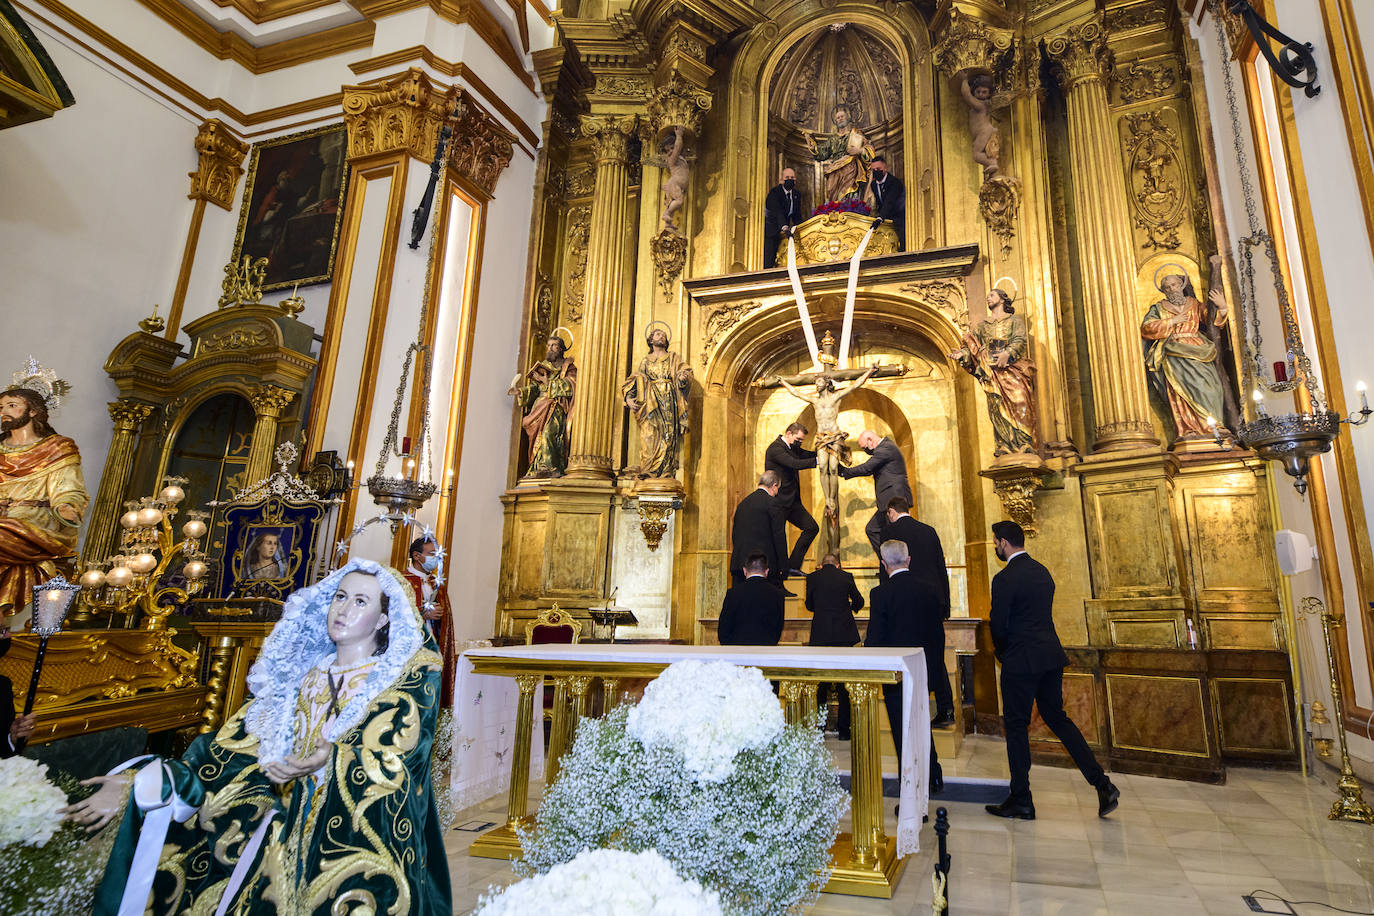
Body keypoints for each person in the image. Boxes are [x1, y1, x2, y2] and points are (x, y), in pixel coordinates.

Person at [67, 559, 451, 915]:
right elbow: (225, 752)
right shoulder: (296, 677)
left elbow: (400, 763)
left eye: (360, 601)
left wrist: (332, 760)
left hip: (335, 838)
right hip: (265, 826)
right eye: (340, 596)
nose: (343, 609)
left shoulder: (395, 688)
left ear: (383, 618)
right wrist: (143, 781)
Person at [986, 521, 1119, 820]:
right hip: (1049, 657)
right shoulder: (1042, 572)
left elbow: (999, 625)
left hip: (1021, 660)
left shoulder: (1005, 578)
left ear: (1005, 543)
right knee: (1058, 718)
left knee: (1017, 726)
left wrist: (1002, 652)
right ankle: (1102, 784)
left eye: (995, 542)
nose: (995, 546)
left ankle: (1021, 798)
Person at [0, 382, 89, 619]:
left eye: (12, 405)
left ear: (33, 411)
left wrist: (66, 505)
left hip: (38, 523)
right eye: (1, 407)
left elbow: (69, 487)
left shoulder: (57, 448)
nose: (3, 412)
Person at [865, 539, 943, 794]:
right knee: (921, 723)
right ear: (908, 560)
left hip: (896, 675)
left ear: (884, 564)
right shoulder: (930, 590)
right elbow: (938, 636)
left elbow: (875, 639)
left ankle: (910, 788)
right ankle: (934, 774)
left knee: (902, 732)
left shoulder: (880, 594)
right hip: (924, 669)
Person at [1139, 265, 1233, 442]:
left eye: (1174, 285)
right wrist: (1172, 321)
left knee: (1211, 387)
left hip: (1199, 349)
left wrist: (1223, 307)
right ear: (1163, 291)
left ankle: (1216, 424)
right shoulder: (1159, 308)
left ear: (1181, 285)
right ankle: (1188, 429)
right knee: (1181, 392)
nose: (1172, 289)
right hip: (1174, 354)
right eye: (1167, 287)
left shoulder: (1194, 304)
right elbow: (1147, 328)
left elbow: (1212, 322)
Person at [882, 496, 953, 726]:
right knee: (934, 653)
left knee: (902, 651)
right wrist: (946, 605)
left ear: (892, 512)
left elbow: (887, 571)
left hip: (901, 602)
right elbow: (941, 568)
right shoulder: (929, 531)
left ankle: (909, 706)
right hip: (932, 601)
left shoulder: (889, 533)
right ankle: (946, 708)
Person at [950, 289, 1039, 456]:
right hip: (992, 373)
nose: (988, 298)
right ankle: (1006, 445)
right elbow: (972, 347)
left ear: (1002, 298)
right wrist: (962, 354)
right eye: (987, 296)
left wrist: (1008, 353)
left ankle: (1024, 443)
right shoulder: (983, 326)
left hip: (1013, 370)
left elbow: (1020, 339)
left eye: (991, 295)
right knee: (996, 407)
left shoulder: (1014, 321)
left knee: (1020, 400)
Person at [622, 325, 692, 478]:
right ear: (651, 340)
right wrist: (628, 398)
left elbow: (684, 371)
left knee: (668, 434)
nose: (661, 337)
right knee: (649, 434)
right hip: (650, 401)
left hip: (668, 398)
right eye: (658, 334)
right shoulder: (646, 361)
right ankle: (648, 468)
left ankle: (666, 471)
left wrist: (683, 377)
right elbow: (635, 379)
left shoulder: (673, 357)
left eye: (664, 335)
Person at [805, 554, 863, 739]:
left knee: (821, 684)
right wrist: (850, 608)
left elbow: (809, 604)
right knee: (843, 683)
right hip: (843, 634)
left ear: (821, 565)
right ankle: (845, 731)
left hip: (821, 634)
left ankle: (820, 730)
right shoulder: (846, 577)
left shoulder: (813, 577)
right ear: (838, 565)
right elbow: (859, 601)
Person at [510, 334, 577, 478]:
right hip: (539, 406)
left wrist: (548, 383)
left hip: (556, 406)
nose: (550, 348)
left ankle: (550, 466)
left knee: (548, 433)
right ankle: (536, 467)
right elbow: (535, 388)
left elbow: (572, 385)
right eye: (548, 345)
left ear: (561, 349)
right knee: (537, 438)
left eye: (553, 345)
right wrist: (520, 392)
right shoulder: (544, 367)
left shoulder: (568, 367)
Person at [839, 429, 913, 558]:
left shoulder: (886, 448)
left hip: (895, 498)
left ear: (870, 440)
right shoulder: (884, 449)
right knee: (872, 529)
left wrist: (845, 472)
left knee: (897, 535)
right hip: (886, 501)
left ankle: (899, 563)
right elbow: (869, 470)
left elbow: (867, 468)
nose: (866, 451)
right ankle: (887, 560)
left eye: (864, 448)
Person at [403, 536, 454, 707]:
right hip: (410, 650)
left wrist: (441, 617)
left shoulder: (436, 582)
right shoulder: (402, 580)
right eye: (431, 554)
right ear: (417, 556)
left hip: (433, 646)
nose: (436, 558)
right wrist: (421, 615)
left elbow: (447, 620)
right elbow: (390, 615)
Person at [765, 422, 819, 575]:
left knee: (811, 528)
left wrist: (822, 453)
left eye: (801, 441)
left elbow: (805, 454)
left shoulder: (791, 448)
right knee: (778, 539)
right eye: (798, 439)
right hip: (779, 502)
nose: (800, 443)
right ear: (789, 434)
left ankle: (793, 566)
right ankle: (780, 575)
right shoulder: (775, 449)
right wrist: (817, 462)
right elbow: (794, 463)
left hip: (792, 502)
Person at [729, 470, 789, 589]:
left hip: (740, 565)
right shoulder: (772, 503)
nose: (777, 493)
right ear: (774, 485)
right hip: (763, 568)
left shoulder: (743, 504)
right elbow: (779, 536)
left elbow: (735, 534)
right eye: (777, 489)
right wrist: (784, 566)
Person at [807, 105, 875, 204]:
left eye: (842, 116)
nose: (840, 119)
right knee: (830, 190)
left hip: (850, 167)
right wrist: (814, 148)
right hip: (835, 168)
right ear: (835, 121)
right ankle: (834, 212)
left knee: (848, 193)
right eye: (838, 118)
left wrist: (860, 151)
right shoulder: (833, 139)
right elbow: (822, 153)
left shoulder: (855, 134)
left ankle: (848, 210)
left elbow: (868, 148)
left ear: (847, 118)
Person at [718, 553, 785, 646]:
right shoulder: (778, 594)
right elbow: (778, 627)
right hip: (766, 649)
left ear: (744, 571)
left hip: (737, 649)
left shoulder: (733, 593)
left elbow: (723, 627)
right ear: (767, 571)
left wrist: (730, 646)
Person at [0, 629, 36, 756]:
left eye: (6, 629)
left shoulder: (3, 685)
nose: (8, 635)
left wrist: (13, 739)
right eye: (0, 630)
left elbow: (4, 747)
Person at [763, 167, 806, 268]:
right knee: (769, 260)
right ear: (781, 180)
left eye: (792, 177)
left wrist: (800, 228)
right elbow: (778, 212)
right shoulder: (774, 193)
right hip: (772, 231)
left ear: (795, 180)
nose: (789, 180)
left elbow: (797, 215)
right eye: (787, 177)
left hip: (785, 231)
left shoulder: (796, 194)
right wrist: (785, 227)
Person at [866, 156, 905, 249]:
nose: (876, 171)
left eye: (878, 169)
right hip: (885, 217)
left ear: (885, 168)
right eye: (873, 170)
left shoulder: (895, 182)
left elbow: (889, 201)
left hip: (899, 218)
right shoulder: (874, 185)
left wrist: (880, 217)